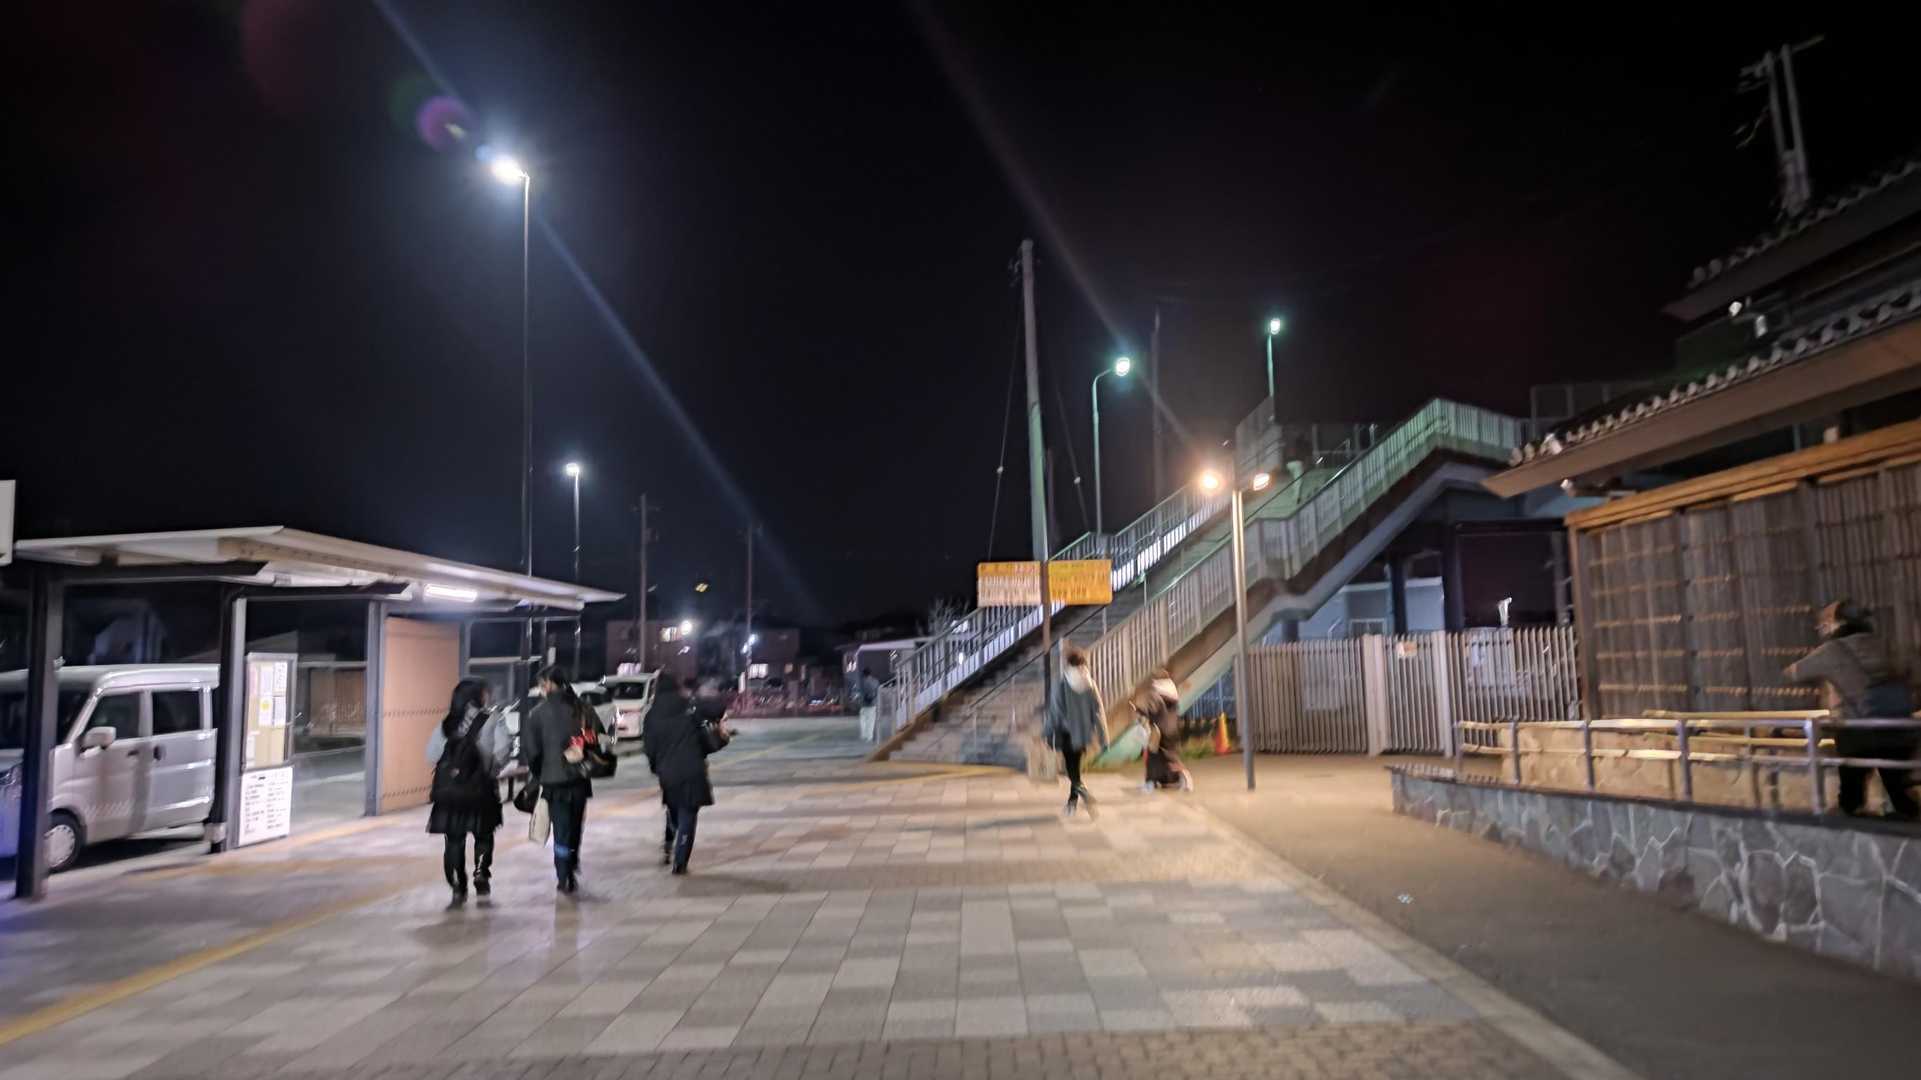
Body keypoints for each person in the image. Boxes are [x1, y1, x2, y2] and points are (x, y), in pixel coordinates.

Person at [1785, 601, 1919, 820]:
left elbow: (1794, 673)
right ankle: (1907, 825)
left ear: (1834, 624)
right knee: (1899, 791)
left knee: (1851, 794)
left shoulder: (1831, 650)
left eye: (1824, 625)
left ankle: (1852, 826)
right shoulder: (1885, 644)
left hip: (1858, 731)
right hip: (1898, 727)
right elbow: (1911, 673)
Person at [521, 663, 601, 893]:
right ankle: (572, 864)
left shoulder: (537, 714)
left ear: (548, 684)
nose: (541, 689)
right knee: (575, 826)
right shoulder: (583, 709)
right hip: (579, 778)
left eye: (541, 685)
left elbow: (532, 752)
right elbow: (596, 741)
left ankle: (563, 874)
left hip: (553, 782)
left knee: (561, 829)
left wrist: (541, 772)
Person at [427, 679, 508, 905]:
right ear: (477, 696)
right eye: (485, 692)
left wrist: (453, 770)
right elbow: (503, 750)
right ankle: (481, 873)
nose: (487, 696)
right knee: (483, 835)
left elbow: (431, 754)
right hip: (480, 791)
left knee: (454, 840)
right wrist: (489, 770)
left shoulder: (446, 724)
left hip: (450, 795)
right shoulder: (492, 718)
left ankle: (457, 886)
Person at [644, 674, 725, 874]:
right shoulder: (690, 707)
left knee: (674, 810)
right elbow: (715, 713)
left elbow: (650, 749)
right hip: (692, 769)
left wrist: (656, 767)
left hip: (667, 773)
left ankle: (671, 840)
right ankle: (680, 862)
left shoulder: (651, 716)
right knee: (688, 814)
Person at [1044, 646, 1109, 817]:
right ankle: (1072, 804)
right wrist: (1103, 737)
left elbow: (1055, 712)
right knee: (1076, 768)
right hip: (1083, 734)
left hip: (1067, 735)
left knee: (1070, 771)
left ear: (1068, 663)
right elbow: (1098, 712)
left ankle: (1084, 793)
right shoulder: (1090, 684)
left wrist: (1047, 731)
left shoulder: (1062, 683)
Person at [1136, 670, 1191, 793]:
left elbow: (1153, 711)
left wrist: (1140, 711)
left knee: (1153, 756)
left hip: (1159, 731)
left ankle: (1151, 783)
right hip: (1172, 730)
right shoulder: (1172, 693)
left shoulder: (1156, 694)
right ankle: (1170, 779)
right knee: (1168, 756)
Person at [858, 668, 881, 741]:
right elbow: (878, 691)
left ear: (864, 674)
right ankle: (869, 736)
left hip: (864, 704)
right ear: (870, 673)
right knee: (871, 721)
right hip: (873, 703)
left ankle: (864, 735)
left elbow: (860, 692)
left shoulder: (862, 682)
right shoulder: (875, 681)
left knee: (863, 720)